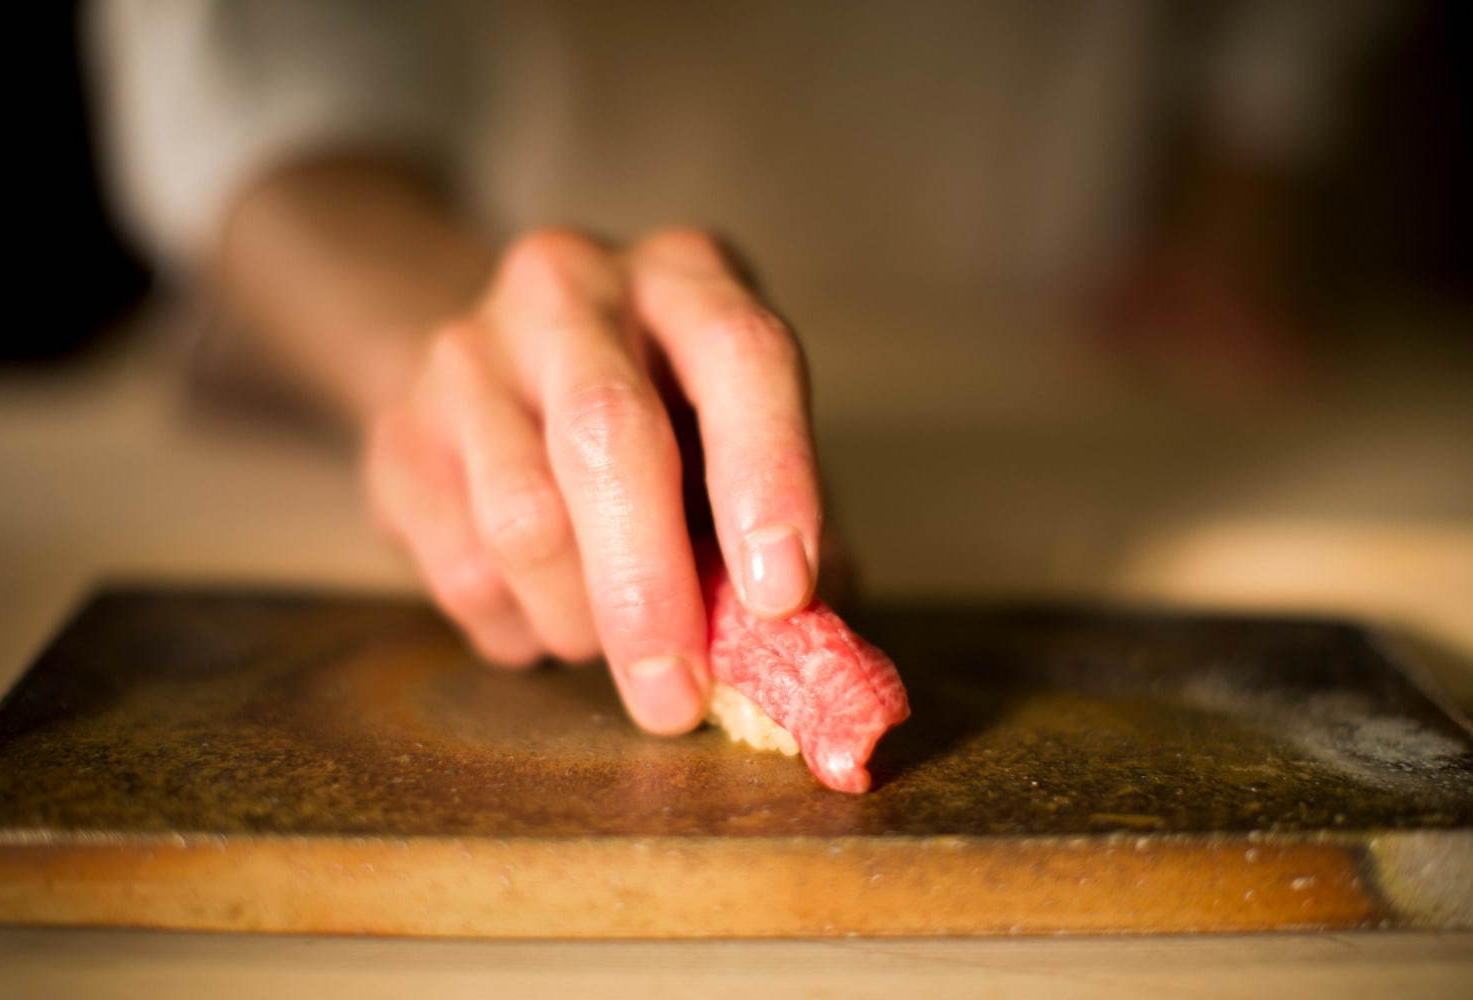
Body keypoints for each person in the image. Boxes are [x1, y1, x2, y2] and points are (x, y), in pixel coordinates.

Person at [86, 0, 1391, 737]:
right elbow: (272, 124)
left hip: (1058, 335)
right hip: (470, 266)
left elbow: (1275, 53)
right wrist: (460, 342)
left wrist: (1246, 167)